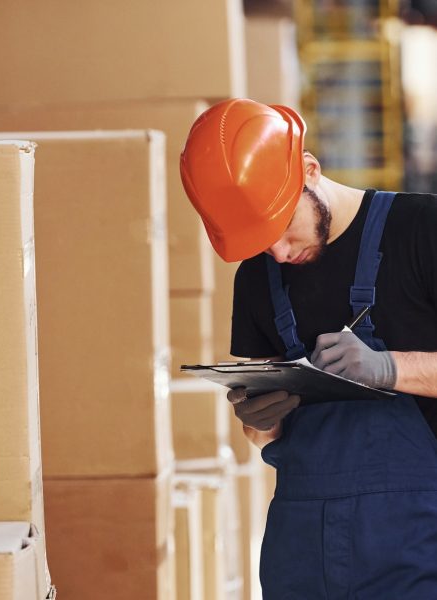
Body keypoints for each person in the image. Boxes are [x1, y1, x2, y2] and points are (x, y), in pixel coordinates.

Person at [180, 98, 437, 599]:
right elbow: (265, 441)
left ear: (310, 170)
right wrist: (260, 421)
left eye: (281, 226)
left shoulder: (423, 231)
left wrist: (388, 368)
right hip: (301, 553)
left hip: (419, 546)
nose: (277, 252)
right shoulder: (257, 278)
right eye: (259, 240)